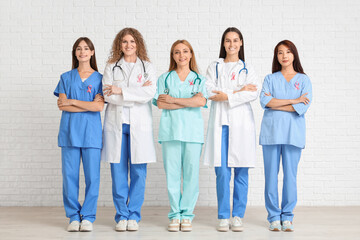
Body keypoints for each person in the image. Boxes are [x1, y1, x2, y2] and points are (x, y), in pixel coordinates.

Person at [203, 27, 259, 232]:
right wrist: (237, 91)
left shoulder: (248, 68)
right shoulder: (214, 66)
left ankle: (237, 216)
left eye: (235, 40)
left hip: (242, 124)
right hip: (220, 123)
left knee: (241, 170)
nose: (232, 44)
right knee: (222, 172)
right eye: (228, 40)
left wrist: (226, 95)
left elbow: (252, 94)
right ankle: (223, 215)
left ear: (241, 43)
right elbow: (209, 90)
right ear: (223, 43)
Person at [101, 28, 157, 232]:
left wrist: (121, 91)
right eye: (124, 42)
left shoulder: (147, 66)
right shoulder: (111, 67)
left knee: (139, 172)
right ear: (119, 44)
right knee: (118, 172)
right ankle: (121, 215)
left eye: (132, 41)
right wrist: (135, 94)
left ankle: (133, 214)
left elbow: (149, 94)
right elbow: (108, 96)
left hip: (139, 126)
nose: (128, 45)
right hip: (116, 124)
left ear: (138, 43)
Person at [153, 40, 207, 232]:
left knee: (191, 176)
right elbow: (160, 104)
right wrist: (188, 101)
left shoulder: (200, 79)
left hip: (193, 133)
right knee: (173, 176)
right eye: (177, 52)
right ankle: (175, 215)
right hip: (170, 132)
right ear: (172, 56)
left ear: (191, 54)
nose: (181, 55)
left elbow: (200, 101)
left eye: (185, 51)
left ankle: (187, 215)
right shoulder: (164, 78)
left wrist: (174, 100)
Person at [260, 40, 312, 232]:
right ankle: (274, 216)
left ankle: (287, 216)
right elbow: (265, 101)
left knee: (290, 176)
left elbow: (303, 106)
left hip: (293, 135)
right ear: (276, 57)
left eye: (288, 52)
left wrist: (278, 103)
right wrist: (293, 100)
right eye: (280, 53)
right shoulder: (270, 79)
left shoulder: (304, 80)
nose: (284, 56)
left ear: (294, 55)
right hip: (271, 134)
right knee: (270, 177)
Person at [54, 37, 104, 232]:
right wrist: (87, 104)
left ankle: (88, 216)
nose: (82, 52)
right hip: (69, 134)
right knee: (70, 177)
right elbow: (61, 105)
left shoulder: (100, 78)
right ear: (75, 53)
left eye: (86, 48)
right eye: (78, 49)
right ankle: (74, 216)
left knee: (93, 177)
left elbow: (99, 106)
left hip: (91, 135)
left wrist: (72, 102)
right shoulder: (66, 77)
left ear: (92, 52)